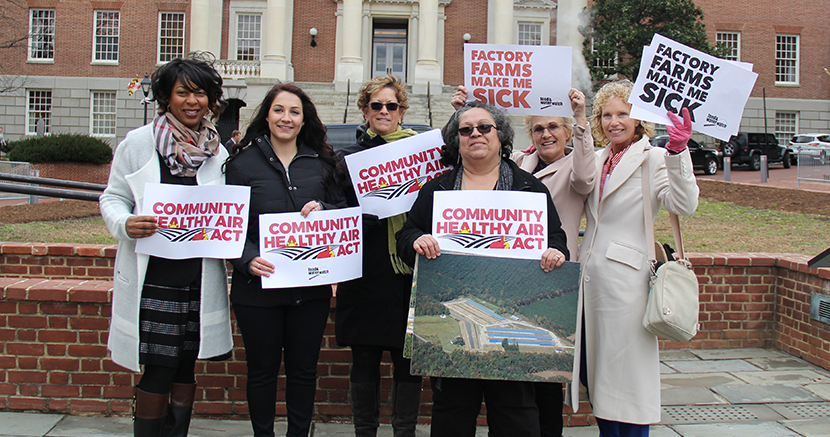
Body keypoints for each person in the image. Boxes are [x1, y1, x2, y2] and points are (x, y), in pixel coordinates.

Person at [395, 101, 570, 437]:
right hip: (453, 320)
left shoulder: (528, 188)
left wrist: (555, 252)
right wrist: (417, 241)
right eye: (466, 129)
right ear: (456, 140)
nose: (475, 134)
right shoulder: (438, 190)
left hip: (514, 312)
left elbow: (556, 238)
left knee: (515, 416)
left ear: (500, 135)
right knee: (452, 415)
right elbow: (407, 235)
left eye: (484, 127)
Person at [99, 53, 233, 437]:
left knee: (187, 365)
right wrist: (126, 223)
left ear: (211, 99)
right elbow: (112, 197)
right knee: (158, 365)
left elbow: (227, 210)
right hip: (152, 277)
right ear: (166, 97)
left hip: (198, 279)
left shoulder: (217, 151)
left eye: (201, 94)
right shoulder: (139, 144)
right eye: (183, 93)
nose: (193, 101)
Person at [451, 85, 595, 437]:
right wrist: (465, 111)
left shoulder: (575, 166)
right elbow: (471, 154)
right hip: (509, 276)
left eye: (554, 127)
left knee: (544, 386)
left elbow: (586, 177)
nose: (546, 134)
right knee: (517, 391)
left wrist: (579, 118)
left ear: (566, 132)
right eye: (538, 128)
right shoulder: (519, 167)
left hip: (549, 274)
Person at [574, 80, 698, 437]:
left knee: (627, 383)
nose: (615, 122)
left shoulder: (654, 157)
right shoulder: (595, 158)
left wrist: (678, 151)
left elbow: (683, 204)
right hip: (589, 281)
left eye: (624, 114)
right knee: (596, 377)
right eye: (607, 115)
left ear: (639, 119)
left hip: (628, 285)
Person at [224, 83, 347, 437]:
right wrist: (247, 259)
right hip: (257, 290)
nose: (286, 118)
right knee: (261, 371)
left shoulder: (322, 161)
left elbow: (346, 211)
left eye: (294, 111)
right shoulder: (241, 164)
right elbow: (228, 226)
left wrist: (326, 210)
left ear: (303, 117)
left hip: (309, 290)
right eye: (279, 110)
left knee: (304, 370)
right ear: (267, 114)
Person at [334, 75, 423, 436]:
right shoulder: (347, 159)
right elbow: (333, 209)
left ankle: (404, 432)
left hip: (407, 271)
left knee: (408, 362)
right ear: (365, 111)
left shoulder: (423, 154)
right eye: (376, 105)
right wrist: (355, 219)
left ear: (402, 111)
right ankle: (364, 432)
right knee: (364, 360)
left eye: (391, 105)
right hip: (365, 271)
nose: (384, 111)